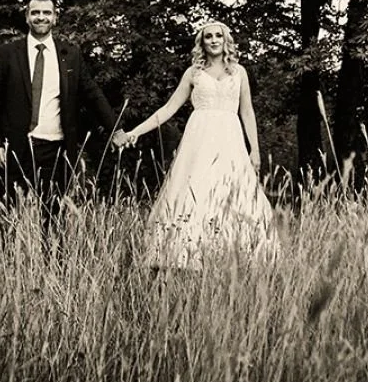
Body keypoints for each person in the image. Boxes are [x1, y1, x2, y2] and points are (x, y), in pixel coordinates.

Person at [114, 21, 276, 268]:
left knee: (231, 192)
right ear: (202, 42)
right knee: (195, 191)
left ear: (225, 40)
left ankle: (234, 254)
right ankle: (189, 254)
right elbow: (168, 108)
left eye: (218, 36)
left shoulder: (239, 72)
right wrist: (135, 132)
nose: (213, 40)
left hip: (230, 140)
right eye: (208, 36)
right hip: (199, 141)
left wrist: (255, 149)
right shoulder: (193, 73)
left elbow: (247, 112)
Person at [0, 0, 121, 239]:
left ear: (55, 18)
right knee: (6, 218)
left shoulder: (71, 54)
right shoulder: (8, 53)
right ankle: (4, 272)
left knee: (53, 217)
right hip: (14, 148)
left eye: (47, 13)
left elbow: (92, 94)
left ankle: (52, 270)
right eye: (35, 12)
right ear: (27, 17)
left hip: (56, 148)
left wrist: (116, 128)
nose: (41, 17)